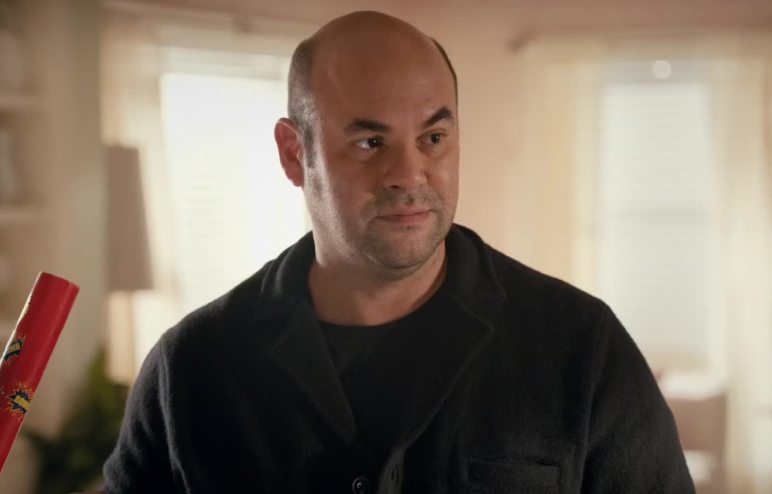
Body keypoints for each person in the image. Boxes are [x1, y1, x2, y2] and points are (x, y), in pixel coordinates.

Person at [102, 11, 693, 493]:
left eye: (433, 138)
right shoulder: (191, 368)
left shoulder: (581, 349)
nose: (409, 174)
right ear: (294, 154)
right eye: (369, 142)